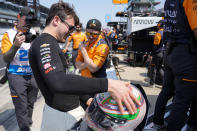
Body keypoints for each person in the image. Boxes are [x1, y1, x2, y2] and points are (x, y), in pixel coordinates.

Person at [28, 2, 141, 131]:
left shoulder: (48, 42)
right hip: (61, 118)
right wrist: (109, 84)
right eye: (70, 28)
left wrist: (85, 98)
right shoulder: (45, 43)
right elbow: (58, 82)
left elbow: (65, 79)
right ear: (56, 20)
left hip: (64, 114)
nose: (71, 33)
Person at [159, 0, 197, 130]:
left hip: (171, 52)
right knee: (183, 100)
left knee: (168, 91)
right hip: (186, 55)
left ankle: (158, 122)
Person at [1, 7, 38, 131]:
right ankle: (24, 128)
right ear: (18, 17)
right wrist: (16, 45)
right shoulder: (9, 34)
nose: (28, 22)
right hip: (16, 76)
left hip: (32, 75)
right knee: (21, 107)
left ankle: (28, 122)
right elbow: (6, 58)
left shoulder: (33, 33)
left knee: (31, 103)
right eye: (25, 19)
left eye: (30, 20)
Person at [149, 20, 164, 85]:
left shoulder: (159, 33)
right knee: (160, 68)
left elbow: (155, 45)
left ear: (160, 24)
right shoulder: (167, 32)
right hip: (164, 53)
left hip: (157, 53)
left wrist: (151, 54)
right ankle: (165, 83)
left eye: (158, 23)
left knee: (153, 67)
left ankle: (152, 83)